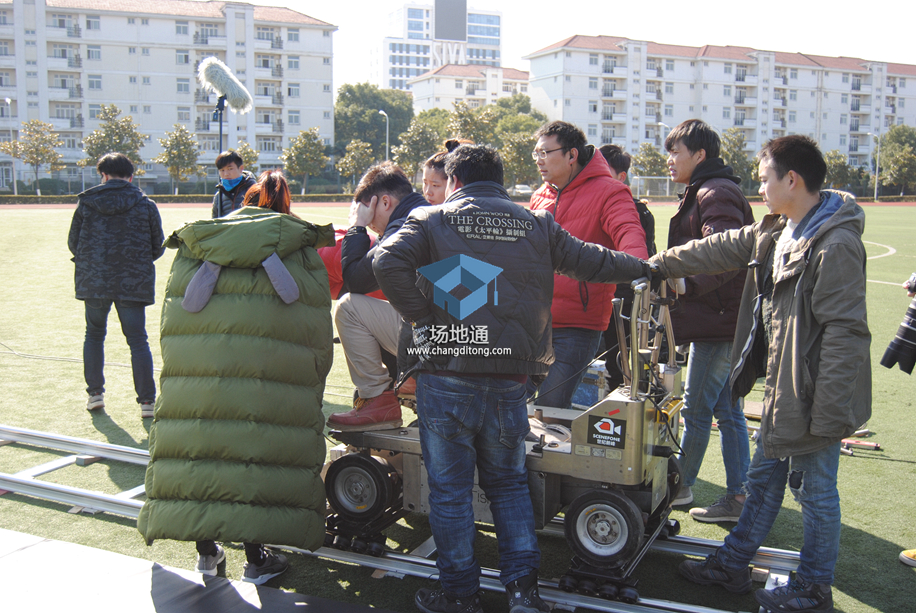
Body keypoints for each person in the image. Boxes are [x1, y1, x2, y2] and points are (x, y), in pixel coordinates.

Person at [374, 144, 651, 613]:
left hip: (448, 373)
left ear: (455, 182)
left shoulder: (433, 219)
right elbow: (594, 262)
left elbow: (385, 262)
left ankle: (459, 595)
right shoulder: (537, 223)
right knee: (507, 484)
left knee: (450, 491)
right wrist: (647, 267)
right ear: (500, 180)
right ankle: (524, 593)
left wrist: (424, 319)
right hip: (510, 377)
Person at [653, 135, 871, 613]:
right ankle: (733, 564)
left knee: (815, 491)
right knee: (765, 478)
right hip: (782, 384)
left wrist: (828, 411)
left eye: (763, 177)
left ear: (791, 179)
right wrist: (658, 263)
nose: (758, 186)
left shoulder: (834, 243)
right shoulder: (780, 228)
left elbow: (845, 333)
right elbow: (721, 247)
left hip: (812, 393)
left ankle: (814, 588)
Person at [138, 170, 334, 585]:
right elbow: (316, 334)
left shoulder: (199, 245)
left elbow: (174, 322)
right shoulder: (298, 251)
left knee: (201, 455)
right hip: (267, 383)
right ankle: (257, 557)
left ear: (245, 201)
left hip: (199, 381)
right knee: (253, 460)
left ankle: (207, 555)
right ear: (284, 206)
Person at [662, 119, 755, 522]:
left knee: (698, 409)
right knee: (726, 409)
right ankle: (740, 497)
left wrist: (686, 283)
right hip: (719, 318)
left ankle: (678, 487)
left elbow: (727, 253)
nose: (669, 160)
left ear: (700, 155)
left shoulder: (715, 192)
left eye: (675, 152)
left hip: (720, 321)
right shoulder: (706, 190)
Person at [528, 121, 648, 409]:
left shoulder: (610, 191)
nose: (539, 160)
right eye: (536, 153)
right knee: (513, 408)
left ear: (572, 155)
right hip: (532, 323)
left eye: (546, 152)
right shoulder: (539, 195)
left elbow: (631, 239)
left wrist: (641, 269)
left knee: (549, 409)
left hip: (577, 326)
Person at [326, 162, 430, 431]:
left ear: (385, 201)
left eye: (371, 218)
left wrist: (356, 227)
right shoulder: (431, 211)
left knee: (349, 308)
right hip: (482, 339)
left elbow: (355, 281)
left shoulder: (405, 226)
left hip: (441, 342)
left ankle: (377, 398)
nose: (373, 229)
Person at [67, 152, 164, 418]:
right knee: (137, 340)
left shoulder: (86, 203)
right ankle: (147, 402)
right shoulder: (146, 204)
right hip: (133, 281)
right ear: (131, 176)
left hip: (94, 279)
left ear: (103, 175)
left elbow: (73, 243)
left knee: (94, 335)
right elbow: (158, 246)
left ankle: (95, 394)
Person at [597, 144, 657, 391]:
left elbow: (645, 258)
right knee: (606, 366)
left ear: (621, 176)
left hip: (622, 301)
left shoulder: (637, 210)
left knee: (619, 364)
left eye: (603, 171)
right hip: (598, 298)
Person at [211, 150, 257, 218]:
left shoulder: (254, 191)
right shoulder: (219, 195)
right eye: (222, 170)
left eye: (230, 169)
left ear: (241, 168)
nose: (226, 174)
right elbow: (214, 221)